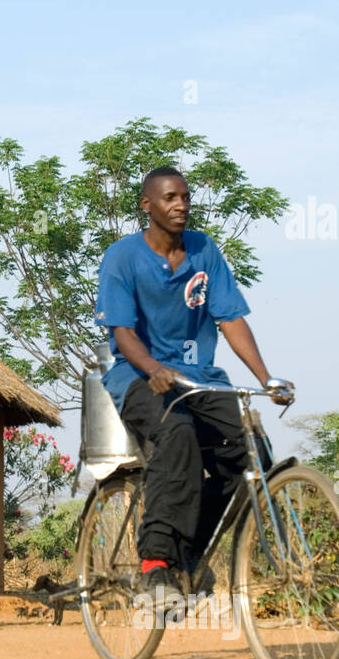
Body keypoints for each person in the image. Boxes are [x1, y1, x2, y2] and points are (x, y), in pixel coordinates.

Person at [94, 166, 292, 609]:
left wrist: (266, 379)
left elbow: (230, 318)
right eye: (169, 198)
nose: (180, 204)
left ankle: (189, 553)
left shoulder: (205, 249)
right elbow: (122, 332)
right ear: (147, 206)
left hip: (199, 378)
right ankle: (156, 565)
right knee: (177, 434)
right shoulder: (122, 257)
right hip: (138, 376)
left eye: (185, 196)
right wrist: (151, 368)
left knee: (250, 452)